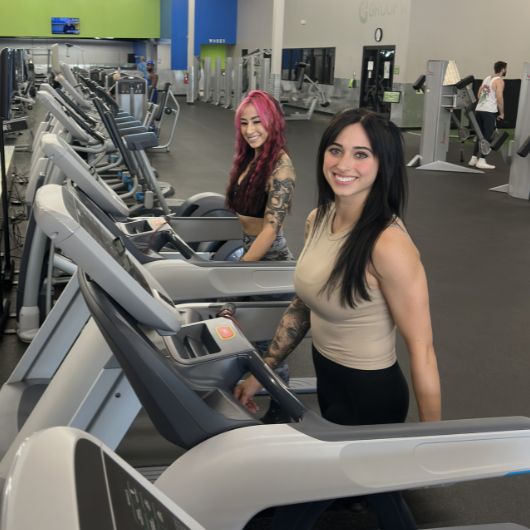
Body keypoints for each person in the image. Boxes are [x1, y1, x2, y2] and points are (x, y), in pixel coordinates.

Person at [235, 108, 442, 529]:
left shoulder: (389, 245)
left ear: (383, 165)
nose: (344, 164)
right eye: (336, 150)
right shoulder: (319, 218)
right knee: (359, 490)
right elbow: (304, 304)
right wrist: (264, 370)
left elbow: (421, 349)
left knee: (294, 510)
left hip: (370, 397)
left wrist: (430, 441)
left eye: (361, 155)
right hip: (330, 382)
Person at [226, 89, 296, 423]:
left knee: (272, 348)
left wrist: (239, 273)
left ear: (272, 122)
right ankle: (246, 387)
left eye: (257, 121)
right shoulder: (252, 158)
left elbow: (270, 229)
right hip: (249, 253)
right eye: (244, 122)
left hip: (269, 264)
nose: (250, 129)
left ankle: (284, 413)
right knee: (242, 331)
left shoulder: (281, 168)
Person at [469, 61, 507, 170]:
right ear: (503, 69)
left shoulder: (487, 78)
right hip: (489, 111)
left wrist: (484, 102)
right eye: (506, 69)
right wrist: (502, 113)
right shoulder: (499, 81)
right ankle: (482, 160)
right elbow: (499, 97)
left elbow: (479, 93)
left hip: (479, 109)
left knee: (480, 135)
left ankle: (473, 159)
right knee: (489, 136)